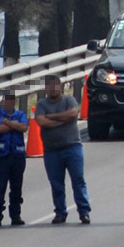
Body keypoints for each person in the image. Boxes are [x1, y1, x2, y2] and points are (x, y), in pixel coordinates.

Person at [35, 74, 92, 224]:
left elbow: (73, 114)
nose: (52, 89)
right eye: (49, 86)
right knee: (56, 184)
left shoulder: (69, 100)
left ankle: (84, 211)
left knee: (78, 181)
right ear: (46, 89)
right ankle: (60, 212)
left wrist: (51, 117)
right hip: (52, 151)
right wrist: (63, 120)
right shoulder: (42, 104)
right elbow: (41, 121)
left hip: (72, 147)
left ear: (60, 87)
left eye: (55, 86)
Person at [0, 91, 29, 227]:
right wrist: (13, 125)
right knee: (0, 188)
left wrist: (7, 123)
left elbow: (23, 127)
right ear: (3, 102)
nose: (9, 103)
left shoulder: (21, 114)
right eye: (7, 100)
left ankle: (16, 215)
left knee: (16, 187)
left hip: (17, 156)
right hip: (2, 157)